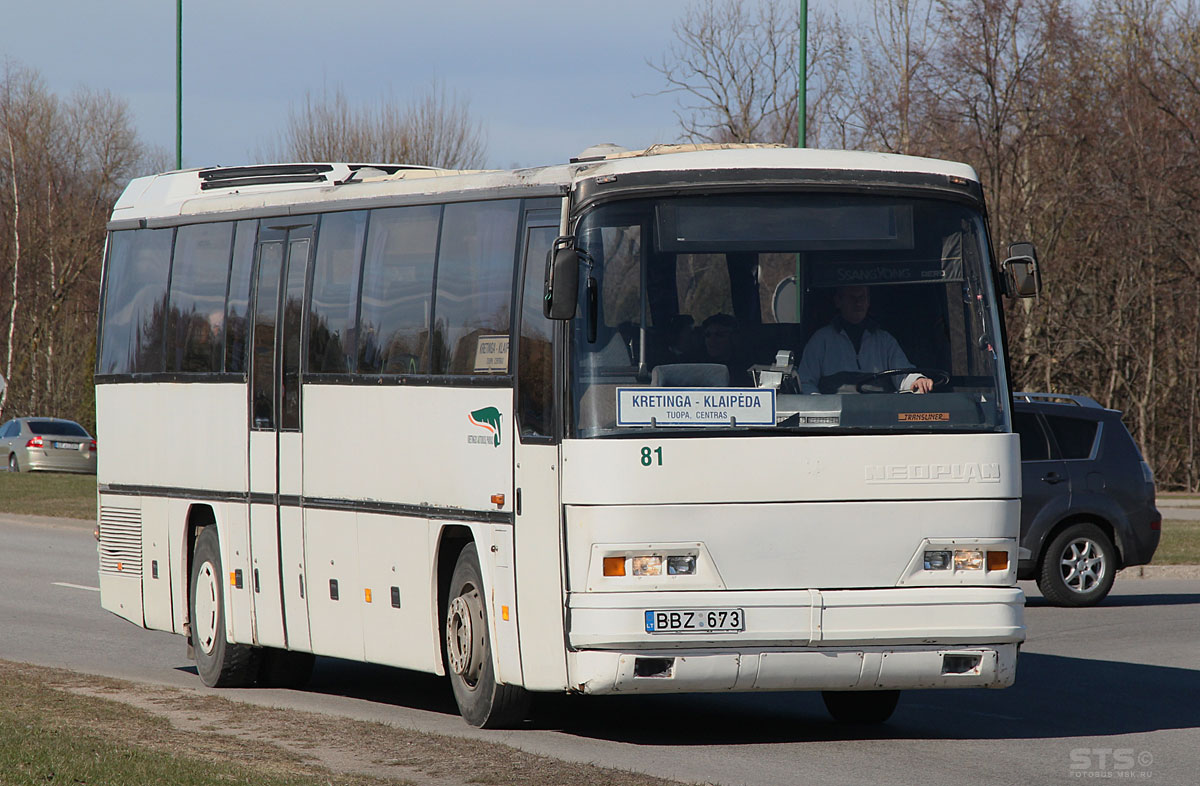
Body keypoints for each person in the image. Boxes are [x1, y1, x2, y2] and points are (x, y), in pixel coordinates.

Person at [797, 285, 932, 394]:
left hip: (881, 418)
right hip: (835, 424)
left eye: (863, 297)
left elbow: (903, 375)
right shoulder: (821, 340)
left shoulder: (885, 341)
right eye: (852, 297)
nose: (858, 302)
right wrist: (821, 407)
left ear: (868, 302)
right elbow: (805, 382)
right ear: (838, 301)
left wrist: (917, 380)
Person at [699, 313, 752, 386]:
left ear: (734, 337)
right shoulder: (698, 367)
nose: (712, 340)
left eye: (719, 335)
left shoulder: (747, 369)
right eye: (708, 335)